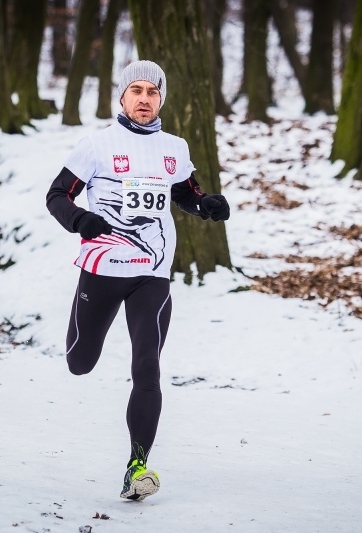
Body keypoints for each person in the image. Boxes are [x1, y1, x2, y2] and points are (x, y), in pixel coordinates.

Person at [45, 60, 230, 501]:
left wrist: (206, 206)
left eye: (152, 91)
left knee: (147, 366)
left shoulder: (175, 147)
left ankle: (137, 465)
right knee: (79, 362)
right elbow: (57, 195)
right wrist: (81, 218)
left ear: (161, 98)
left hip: (153, 273)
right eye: (137, 91)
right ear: (122, 97)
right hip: (104, 270)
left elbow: (185, 193)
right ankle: (83, 345)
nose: (145, 99)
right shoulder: (97, 145)